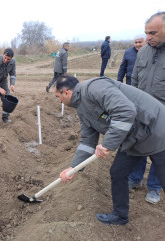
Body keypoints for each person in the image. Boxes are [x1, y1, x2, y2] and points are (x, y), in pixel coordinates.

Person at [56, 75, 165, 226]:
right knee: (118, 172)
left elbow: (126, 111)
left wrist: (107, 144)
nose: (59, 101)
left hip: (156, 128)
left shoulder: (95, 88)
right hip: (134, 137)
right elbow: (87, 141)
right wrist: (73, 168)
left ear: (66, 92)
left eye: (58, 97)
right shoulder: (82, 108)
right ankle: (120, 216)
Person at [130, 12, 165, 204]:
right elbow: (134, 80)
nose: (148, 37)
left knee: (161, 154)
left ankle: (154, 188)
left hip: (163, 115)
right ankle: (135, 179)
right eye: (146, 33)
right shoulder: (143, 52)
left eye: (153, 33)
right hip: (141, 112)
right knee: (139, 146)